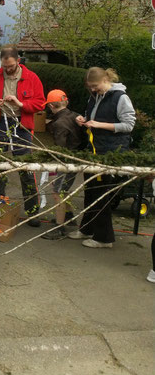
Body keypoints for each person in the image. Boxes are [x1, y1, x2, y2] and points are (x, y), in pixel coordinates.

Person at [69, 67, 135, 249]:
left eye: (95, 86)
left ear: (105, 80)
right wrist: (83, 119)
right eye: (90, 86)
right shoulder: (94, 97)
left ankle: (104, 238)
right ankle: (87, 229)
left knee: (102, 195)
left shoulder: (120, 97)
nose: (92, 89)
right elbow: (91, 117)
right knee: (90, 191)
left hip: (111, 153)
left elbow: (128, 125)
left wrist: (100, 124)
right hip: (94, 151)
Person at [0, 46, 45, 225]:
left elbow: (40, 103)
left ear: (18, 61)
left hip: (21, 126)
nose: (7, 69)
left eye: (11, 66)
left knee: (26, 168)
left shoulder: (32, 78)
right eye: (4, 66)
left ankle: (32, 212)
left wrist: (20, 104)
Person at [40, 90, 85, 240]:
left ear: (51, 106)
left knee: (57, 192)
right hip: (77, 157)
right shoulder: (75, 115)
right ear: (66, 101)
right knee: (63, 190)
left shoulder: (59, 124)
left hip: (67, 162)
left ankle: (59, 228)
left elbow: (60, 149)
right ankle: (69, 217)